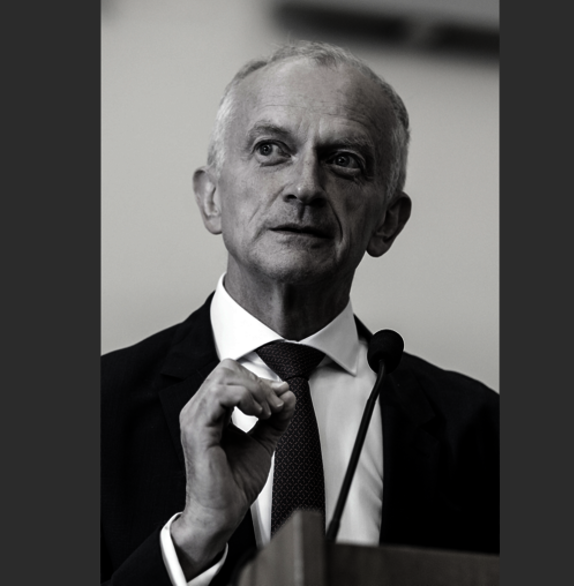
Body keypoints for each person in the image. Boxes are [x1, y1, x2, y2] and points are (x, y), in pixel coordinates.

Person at [101, 41, 499, 586]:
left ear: (387, 222)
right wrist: (192, 540)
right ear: (212, 197)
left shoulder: (484, 432)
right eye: (270, 149)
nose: (305, 186)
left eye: (344, 160)